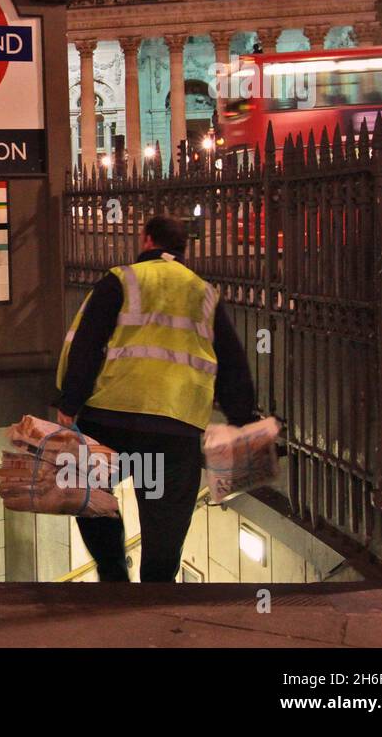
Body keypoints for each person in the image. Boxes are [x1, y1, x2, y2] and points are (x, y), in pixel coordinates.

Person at [52, 214, 258, 583]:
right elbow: (232, 361)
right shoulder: (205, 293)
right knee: (166, 516)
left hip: (109, 419)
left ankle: (113, 571)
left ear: (147, 240)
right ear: (184, 248)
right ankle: (157, 593)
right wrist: (242, 419)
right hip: (175, 429)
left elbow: (88, 343)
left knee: (89, 490)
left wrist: (70, 403)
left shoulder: (121, 280)